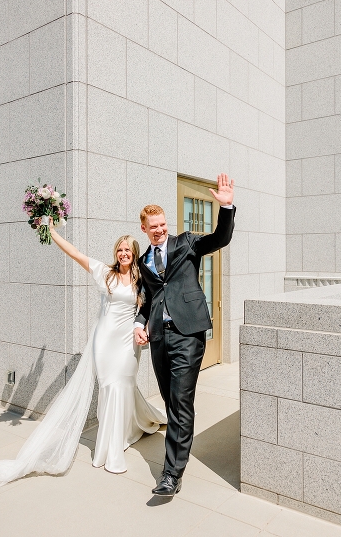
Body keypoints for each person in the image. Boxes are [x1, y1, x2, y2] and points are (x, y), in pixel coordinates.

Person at [0, 224, 166, 488]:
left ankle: (126, 433)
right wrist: (52, 231)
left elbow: (151, 305)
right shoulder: (104, 273)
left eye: (127, 250)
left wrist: (143, 329)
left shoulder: (141, 279)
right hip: (104, 341)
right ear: (116, 253)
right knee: (111, 388)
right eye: (119, 250)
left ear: (134, 253)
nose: (123, 254)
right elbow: (74, 253)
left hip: (128, 344)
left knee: (124, 386)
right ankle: (109, 448)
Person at [134, 173, 235, 497]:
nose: (160, 229)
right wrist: (139, 324)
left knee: (179, 401)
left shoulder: (186, 242)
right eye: (154, 226)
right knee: (170, 399)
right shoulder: (143, 261)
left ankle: (170, 475)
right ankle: (179, 447)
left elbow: (219, 239)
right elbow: (146, 301)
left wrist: (227, 206)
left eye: (163, 224)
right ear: (144, 229)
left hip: (188, 333)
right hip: (159, 339)